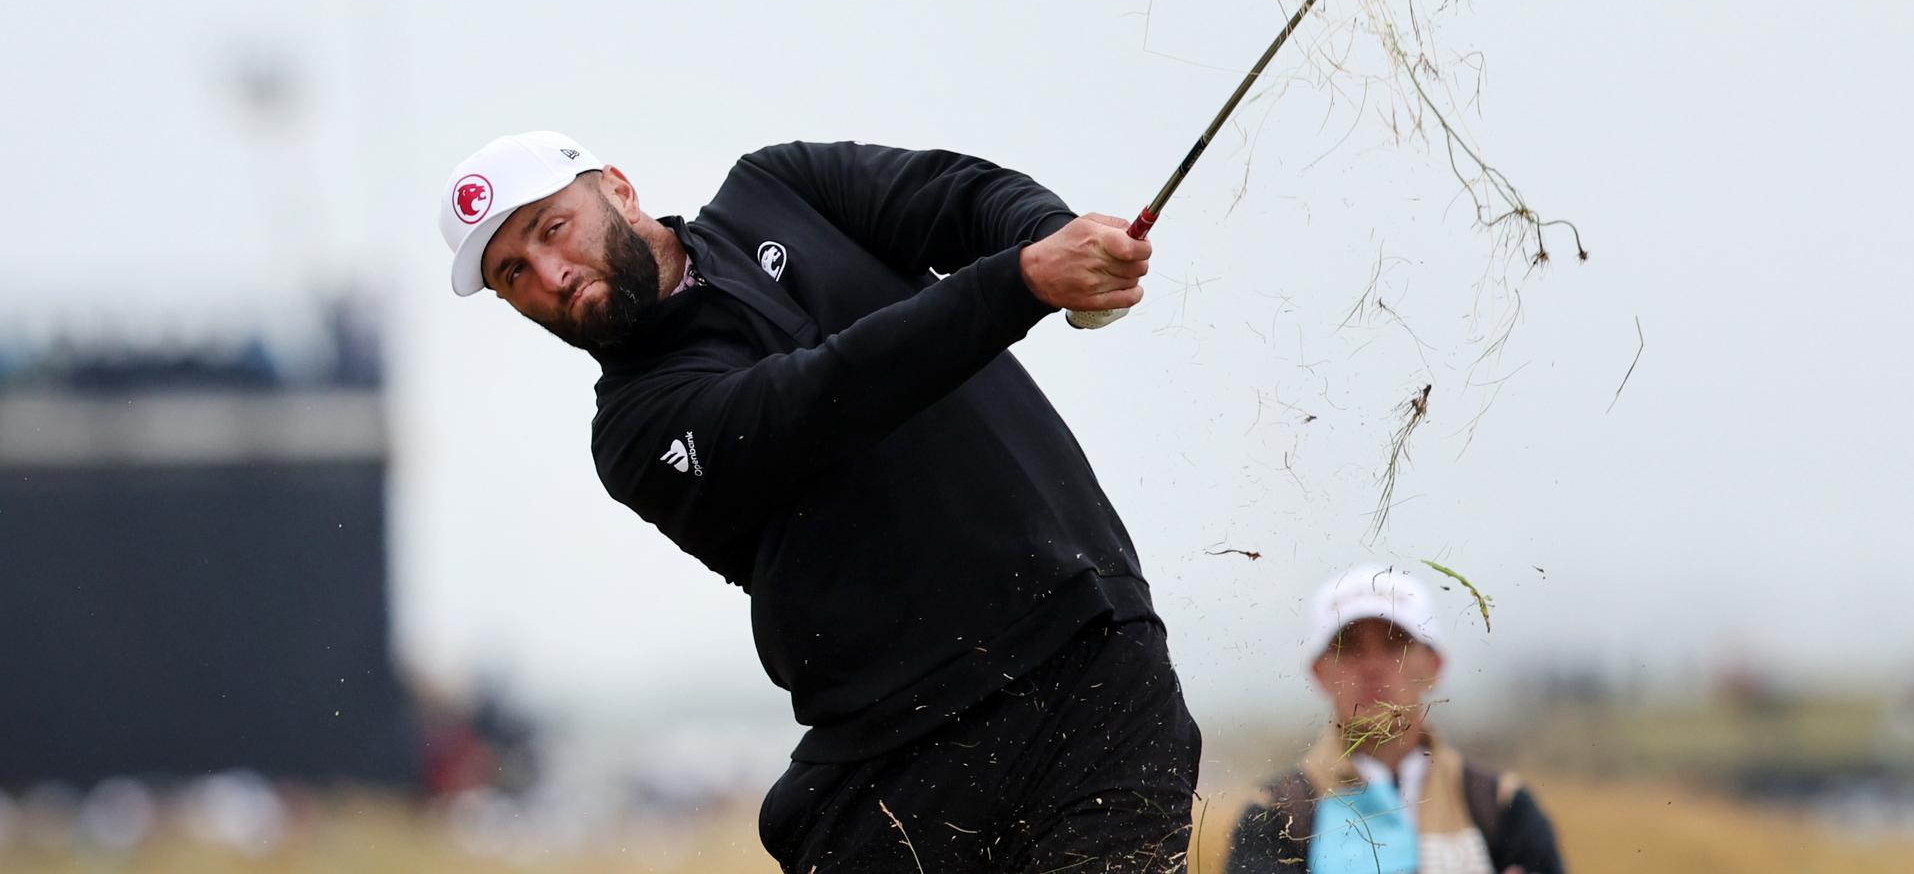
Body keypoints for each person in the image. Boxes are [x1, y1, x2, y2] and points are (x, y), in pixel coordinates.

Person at [438, 132, 1200, 872]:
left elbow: (956, 196)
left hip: (1093, 656)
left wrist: (1060, 239)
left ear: (619, 189)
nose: (549, 273)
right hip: (901, 756)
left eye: (553, 229)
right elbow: (827, 396)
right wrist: (1025, 279)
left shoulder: (782, 187)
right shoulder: (638, 434)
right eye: (513, 274)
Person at [1225, 565, 1564, 874]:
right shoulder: (1274, 815)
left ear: (1434, 665)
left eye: (1395, 644)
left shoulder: (1503, 807)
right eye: (1349, 646)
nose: (1372, 667)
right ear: (1319, 672)